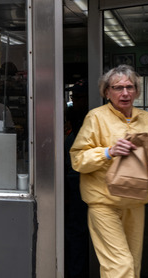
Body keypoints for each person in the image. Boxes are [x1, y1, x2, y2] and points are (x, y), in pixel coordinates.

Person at [70, 65, 148, 278]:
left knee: (133, 267)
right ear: (106, 92)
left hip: (135, 203)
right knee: (121, 266)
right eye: (118, 88)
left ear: (137, 91)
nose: (125, 93)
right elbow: (78, 160)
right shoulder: (96, 118)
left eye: (129, 87)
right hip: (103, 204)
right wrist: (108, 152)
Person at [63, 80, 89, 278]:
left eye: (78, 98)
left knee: (78, 232)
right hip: (73, 183)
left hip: (82, 183)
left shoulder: (92, 121)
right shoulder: (74, 116)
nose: (74, 102)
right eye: (73, 98)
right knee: (76, 232)